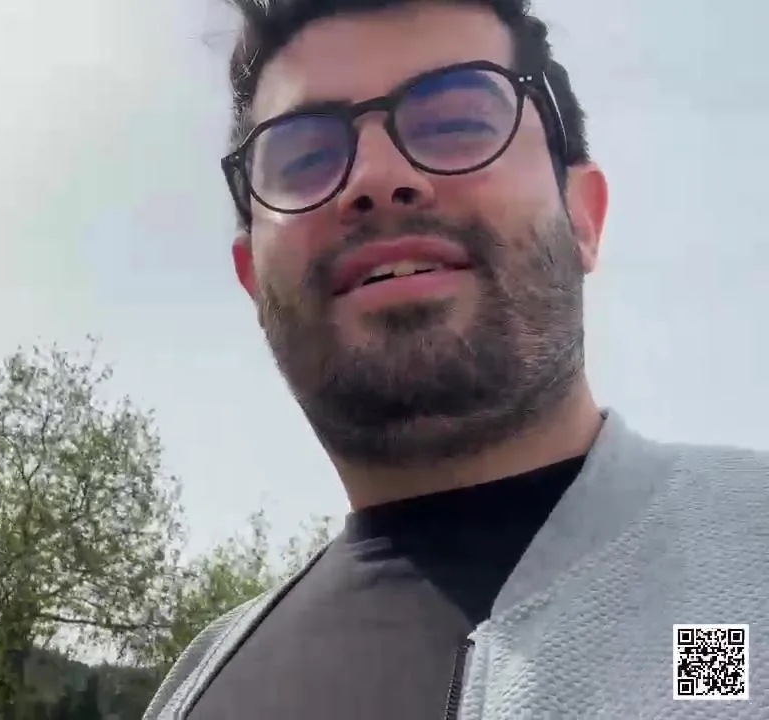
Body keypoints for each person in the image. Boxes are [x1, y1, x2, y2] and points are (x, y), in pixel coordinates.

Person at [144, 0, 769, 718]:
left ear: (584, 218)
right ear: (252, 280)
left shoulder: (740, 589)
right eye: (305, 156)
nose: (376, 177)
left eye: (456, 121)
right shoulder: (199, 692)